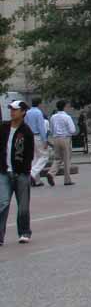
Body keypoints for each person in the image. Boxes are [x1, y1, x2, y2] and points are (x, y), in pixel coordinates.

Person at [0, 101, 35, 244]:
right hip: (4, 172)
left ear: (23, 112)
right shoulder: (3, 127)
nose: (12, 112)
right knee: (2, 203)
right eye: (11, 109)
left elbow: (29, 154)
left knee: (23, 205)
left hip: (21, 173)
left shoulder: (26, 131)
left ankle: (24, 232)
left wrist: (23, 171)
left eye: (15, 109)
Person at [25, 96, 53, 187]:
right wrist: (45, 140)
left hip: (29, 136)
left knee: (34, 157)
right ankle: (32, 173)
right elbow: (41, 127)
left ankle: (37, 180)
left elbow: (25, 125)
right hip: (37, 136)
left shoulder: (27, 112)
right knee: (44, 156)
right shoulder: (38, 112)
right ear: (39, 104)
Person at [47, 100, 76, 186]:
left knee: (57, 158)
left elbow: (51, 129)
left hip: (55, 138)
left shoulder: (53, 117)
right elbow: (72, 130)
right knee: (66, 159)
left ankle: (51, 173)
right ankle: (67, 179)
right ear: (65, 107)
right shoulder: (67, 117)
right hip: (65, 138)